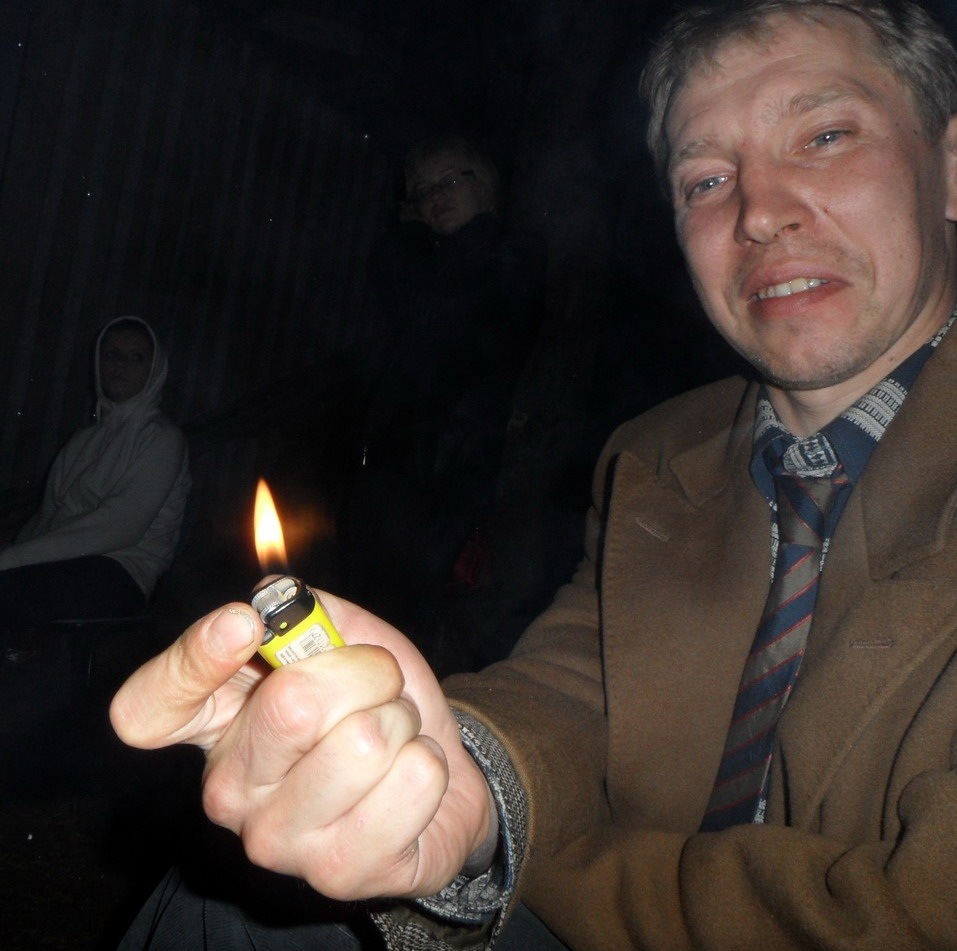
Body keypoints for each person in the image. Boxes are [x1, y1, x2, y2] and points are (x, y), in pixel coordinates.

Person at [110, 0, 957, 947]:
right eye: (706, 179)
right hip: (411, 488)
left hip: (475, 500)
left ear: (951, 163)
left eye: (825, 136)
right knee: (244, 902)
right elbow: (575, 691)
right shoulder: (658, 453)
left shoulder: (519, 281)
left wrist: (538, 872)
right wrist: (458, 789)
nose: (759, 212)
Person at [341, 134, 546, 670]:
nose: (436, 196)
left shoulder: (508, 255)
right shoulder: (435, 261)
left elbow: (452, 328)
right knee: (379, 600)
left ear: (488, 187)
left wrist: (410, 237)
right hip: (409, 466)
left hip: (463, 471)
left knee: (429, 616)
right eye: (424, 190)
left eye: (450, 180)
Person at [0, 317, 191, 663]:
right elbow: (50, 515)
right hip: (60, 565)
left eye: (136, 357)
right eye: (112, 354)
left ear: (154, 369)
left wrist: (12, 560)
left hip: (120, 572)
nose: (120, 365)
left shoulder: (163, 438)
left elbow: (119, 527)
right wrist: (14, 550)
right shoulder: (83, 439)